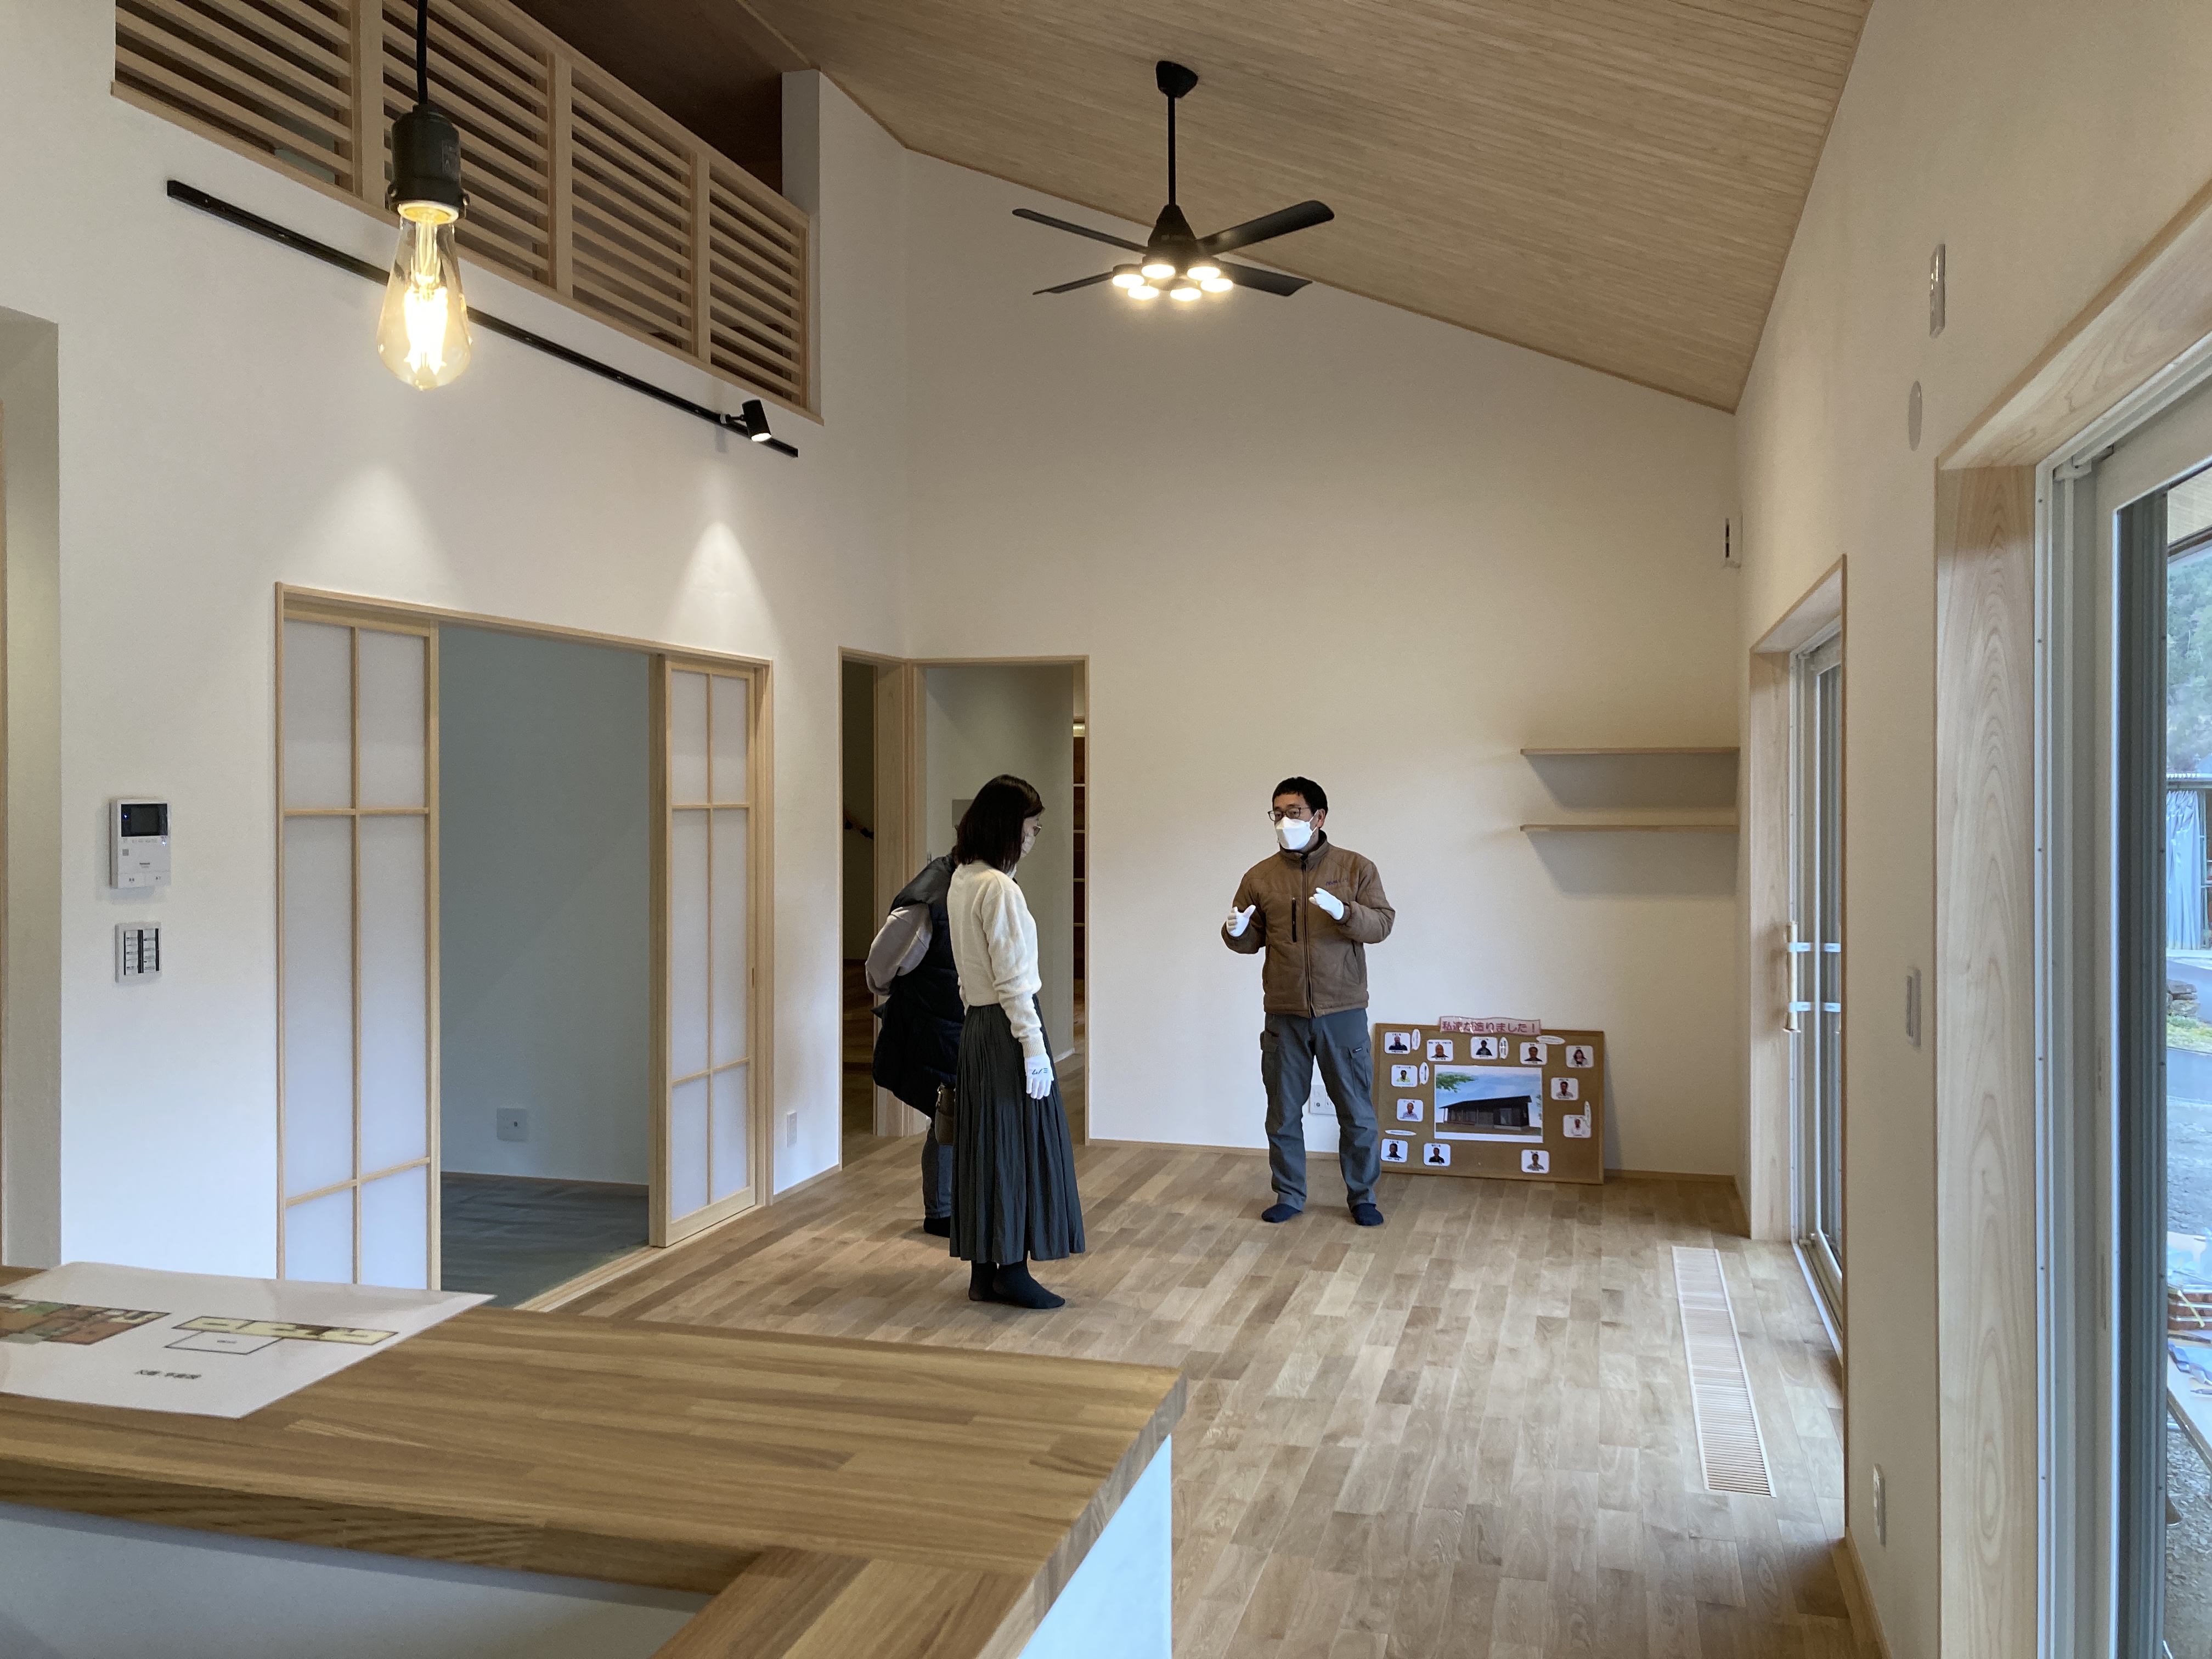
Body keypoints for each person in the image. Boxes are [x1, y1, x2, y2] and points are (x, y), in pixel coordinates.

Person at [1222, 776, 1396, 1227]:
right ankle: (1289, 1194)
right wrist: (1235, 932)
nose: (1284, 821)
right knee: (1282, 1113)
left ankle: (1363, 1197)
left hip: (1343, 1010)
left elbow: (1382, 924)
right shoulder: (1260, 876)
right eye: (1277, 813)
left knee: (1356, 1112)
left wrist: (1346, 913)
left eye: (1293, 813)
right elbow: (1249, 939)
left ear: (1318, 817)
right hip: (1284, 1012)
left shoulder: (1356, 868)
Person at [947, 775, 1085, 1308]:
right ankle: (1012, 1270)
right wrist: (1033, 1046)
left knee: (985, 1144)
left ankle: (985, 1272)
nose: (1033, 837)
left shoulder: (963, 878)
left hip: (978, 1026)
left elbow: (969, 973)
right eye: (1031, 827)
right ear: (1008, 826)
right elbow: (1013, 980)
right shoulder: (999, 888)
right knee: (1016, 1145)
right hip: (1008, 1028)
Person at [865, 853, 963, 1235]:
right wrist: (915, 996)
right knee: (949, 1112)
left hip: (959, 1021)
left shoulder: (989, 883)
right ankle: (941, 1212)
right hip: (932, 1024)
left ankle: (955, 1207)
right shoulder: (928, 900)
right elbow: (879, 969)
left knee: (958, 1113)